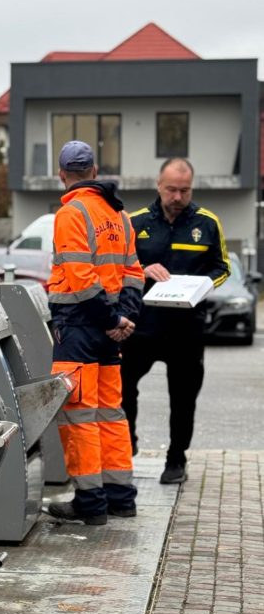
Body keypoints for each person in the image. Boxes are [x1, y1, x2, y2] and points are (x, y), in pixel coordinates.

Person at [45, 140, 145, 526]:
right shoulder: (119, 216)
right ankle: (121, 497)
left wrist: (108, 320)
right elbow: (134, 273)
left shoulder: (71, 212)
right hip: (109, 329)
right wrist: (124, 319)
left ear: (62, 175)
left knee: (79, 416)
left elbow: (80, 278)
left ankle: (90, 502)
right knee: (110, 414)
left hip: (79, 327)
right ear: (95, 170)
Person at [121, 158, 230, 485]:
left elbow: (222, 268)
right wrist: (142, 269)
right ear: (158, 185)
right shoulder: (135, 222)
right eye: (171, 189)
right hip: (141, 326)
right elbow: (117, 267)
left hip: (186, 328)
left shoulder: (208, 223)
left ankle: (176, 460)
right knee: (122, 389)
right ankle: (129, 441)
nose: (178, 196)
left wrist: (201, 286)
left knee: (183, 399)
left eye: (184, 190)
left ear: (191, 188)